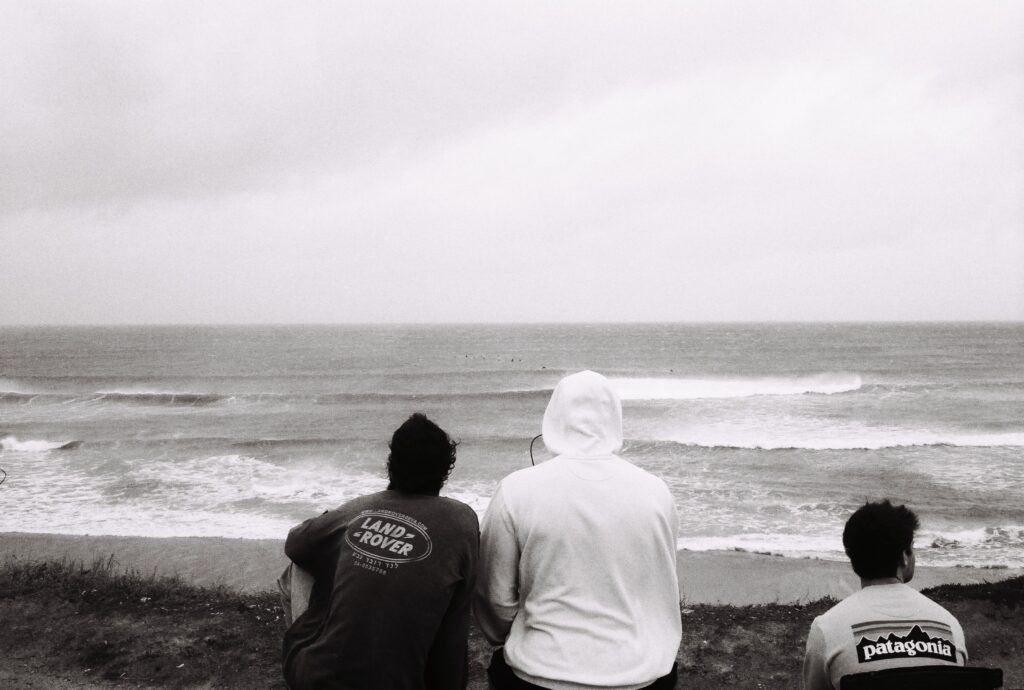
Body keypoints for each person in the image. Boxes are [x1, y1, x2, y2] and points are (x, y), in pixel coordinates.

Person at [474, 370, 681, 690]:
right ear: (614, 418)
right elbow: (660, 589)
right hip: (639, 673)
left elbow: (494, 598)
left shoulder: (516, 489)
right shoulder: (656, 492)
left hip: (539, 673)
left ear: (554, 417)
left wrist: (516, 636)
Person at [281, 413, 479, 690]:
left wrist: (338, 527)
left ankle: (313, 644)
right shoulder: (462, 521)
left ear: (391, 463)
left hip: (315, 677)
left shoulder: (359, 508)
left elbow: (295, 544)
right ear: (445, 469)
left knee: (300, 564)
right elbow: (454, 629)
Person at [802, 500, 967, 689]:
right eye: (912, 548)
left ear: (852, 556)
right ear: (904, 556)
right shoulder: (950, 627)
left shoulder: (827, 629)